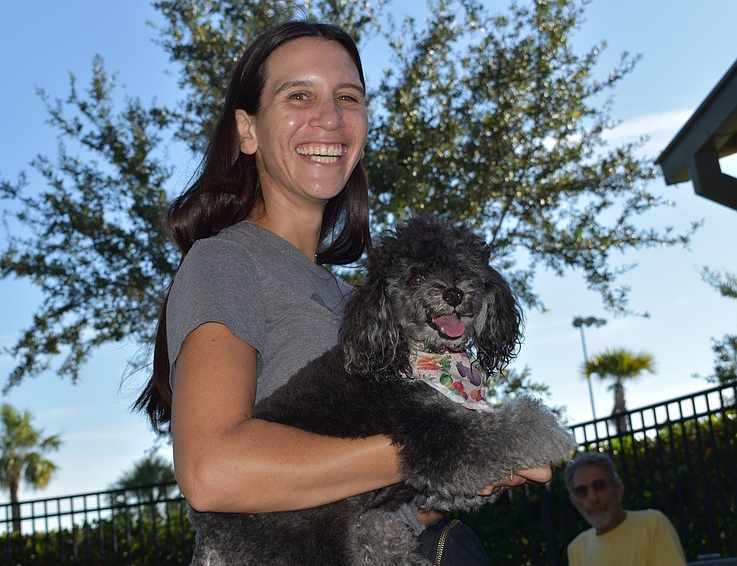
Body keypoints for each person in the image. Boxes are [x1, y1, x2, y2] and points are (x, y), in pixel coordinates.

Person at [134, 19, 551, 562]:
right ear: (247, 130)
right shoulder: (225, 261)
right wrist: (437, 445)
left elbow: (356, 505)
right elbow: (212, 471)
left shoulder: (361, 300)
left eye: (347, 97)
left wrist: (471, 475)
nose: (329, 118)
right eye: (299, 95)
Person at [564, 452, 686, 566]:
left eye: (599, 486)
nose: (593, 498)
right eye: (581, 491)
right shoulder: (577, 548)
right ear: (575, 502)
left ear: (618, 489)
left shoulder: (651, 524)